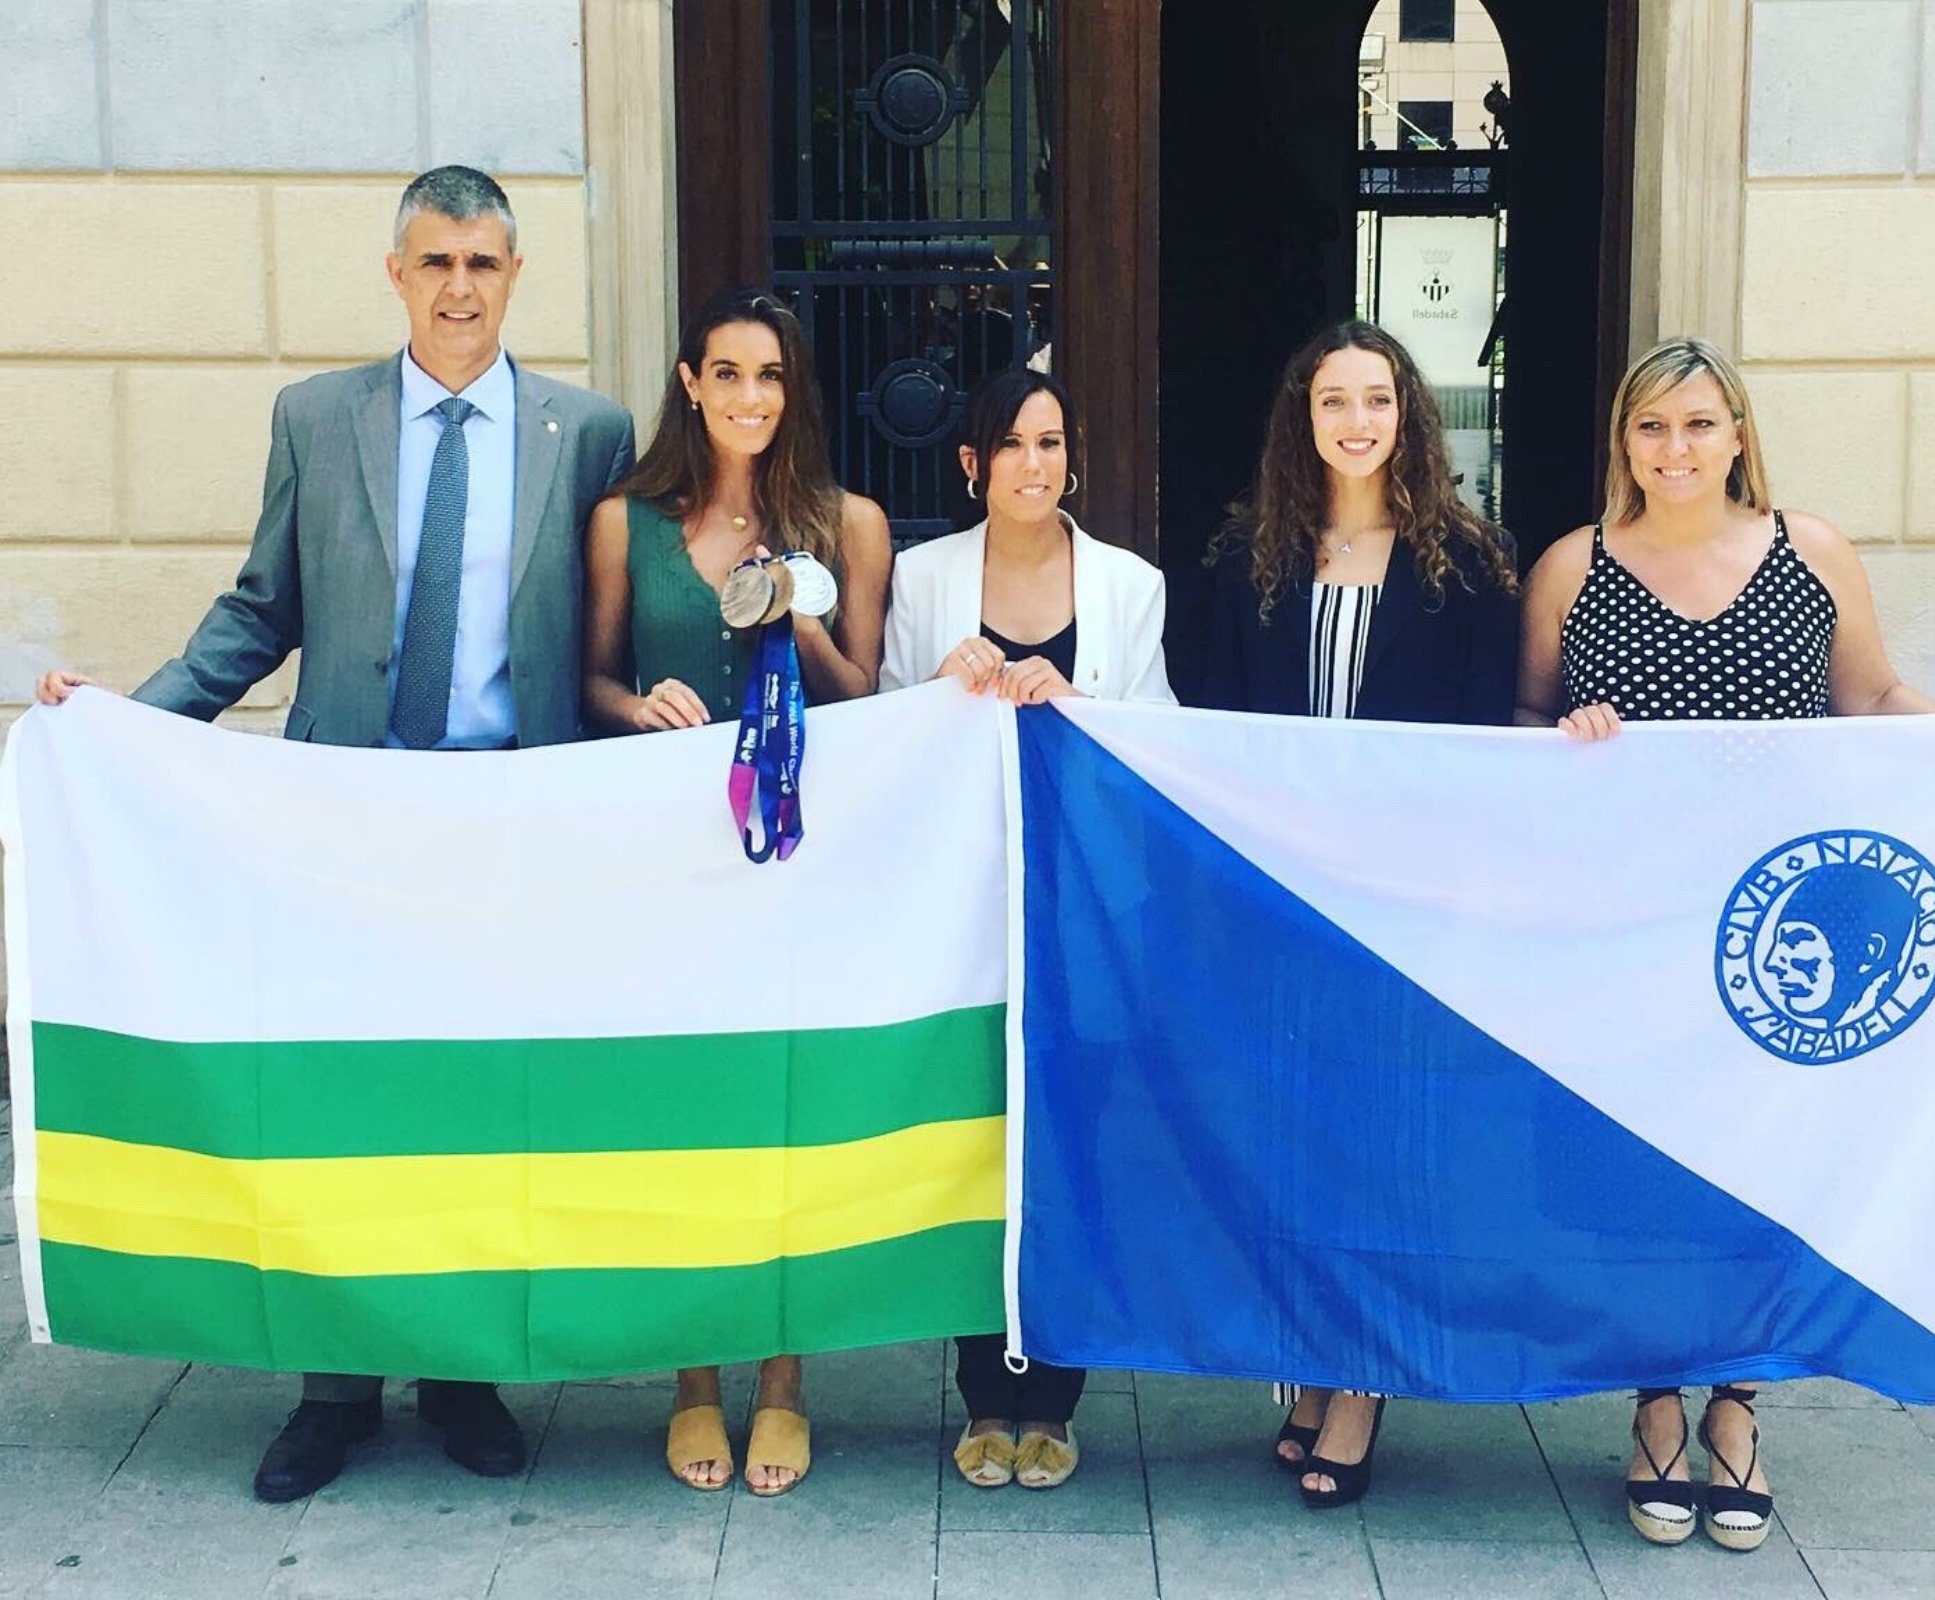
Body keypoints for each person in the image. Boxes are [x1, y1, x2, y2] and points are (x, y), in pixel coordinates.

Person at [35, 165, 636, 1503]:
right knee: (339, 1102)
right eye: (436, 263)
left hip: (505, 821)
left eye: (483, 264)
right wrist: (125, 730)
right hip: (343, 822)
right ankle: (332, 1393)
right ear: (396, 273)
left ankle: (466, 1376)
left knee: (479, 1108)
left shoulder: (585, 434)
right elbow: (263, 611)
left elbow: (622, 624)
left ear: (515, 277)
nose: (460, 290)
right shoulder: (319, 418)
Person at [1516, 335, 1935, 1553]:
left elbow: (1866, 699)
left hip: (1779, 927)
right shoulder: (1570, 566)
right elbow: (1521, 719)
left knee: (1765, 1157)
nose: (1674, 448)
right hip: (1629, 923)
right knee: (1645, 1167)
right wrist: (1567, 734)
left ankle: (1737, 1406)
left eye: (1698, 424)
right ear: (1623, 444)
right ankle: (1655, 1400)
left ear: (1738, 434)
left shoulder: (1808, 551)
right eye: (1649, 427)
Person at [1203, 317, 1518, 1509]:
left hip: (1402, 911)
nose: (1354, 420)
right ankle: (1312, 1347)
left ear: (1407, 416)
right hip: (1280, 901)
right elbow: (1210, 727)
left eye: (1375, 399)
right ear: (1302, 416)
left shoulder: (1471, 564)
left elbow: (1485, 745)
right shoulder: (1244, 557)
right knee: (1298, 1135)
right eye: (1331, 399)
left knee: (1383, 1141)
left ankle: (1360, 1378)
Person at [582, 286, 891, 1496]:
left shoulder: (849, 523)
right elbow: (586, 683)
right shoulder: (625, 520)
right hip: (665, 859)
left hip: (793, 858)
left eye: (771, 377)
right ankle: (690, 1377)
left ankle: (781, 1381)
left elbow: (866, 694)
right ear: (689, 382)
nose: (750, 397)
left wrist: (794, 618)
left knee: (783, 1117)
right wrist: (640, 703)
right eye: (728, 374)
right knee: (681, 1111)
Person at [880, 366, 1172, 1490]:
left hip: (1086, 910)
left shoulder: (1129, 585)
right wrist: (937, 691)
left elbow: (1164, 739)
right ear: (970, 463)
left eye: (1050, 441)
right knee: (974, 1149)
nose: (1032, 463)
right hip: (965, 907)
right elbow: (883, 737)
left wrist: (1080, 704)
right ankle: (981, 1393)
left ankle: (1051, 1396)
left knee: (1071, 1149)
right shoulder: (920, 578)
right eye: (1009, 443)